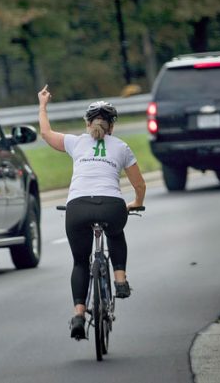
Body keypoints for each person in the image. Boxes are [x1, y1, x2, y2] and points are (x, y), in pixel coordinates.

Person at [37, 84, 146, 340]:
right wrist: (136, 202)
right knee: (116, 232)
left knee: (80, 261)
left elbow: (45, 133)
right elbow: (139, 185)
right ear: (112, 126)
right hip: (112, 206)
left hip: (77, 207)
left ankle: (78, 314)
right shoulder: (121, 146)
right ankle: (120, 280)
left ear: (88, 124)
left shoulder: (75, 142)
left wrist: (43, 105)